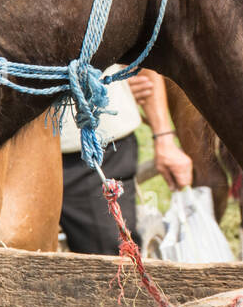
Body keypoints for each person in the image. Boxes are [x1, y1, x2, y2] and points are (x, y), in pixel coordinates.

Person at [58, 67, 193, 254]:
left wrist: (164, 138)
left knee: (113, 262)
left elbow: (143, 54)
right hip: (17, 148)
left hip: (94, 152)